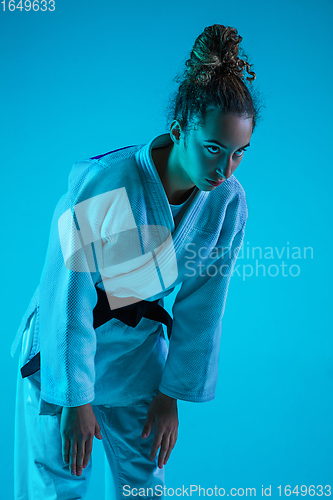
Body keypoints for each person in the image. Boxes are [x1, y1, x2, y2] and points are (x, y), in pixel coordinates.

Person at [11, 24, 262, 500]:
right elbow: (68, 294)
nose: (223, 169)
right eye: (213, 148)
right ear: (180, 129)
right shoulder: (109, 183)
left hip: (135, 352)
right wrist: (74, 398)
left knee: (145, 483)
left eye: (238, 154)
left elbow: (205, 304)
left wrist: (171, 394)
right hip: (62, 350)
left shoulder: (228, 203)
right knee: (56, 484)